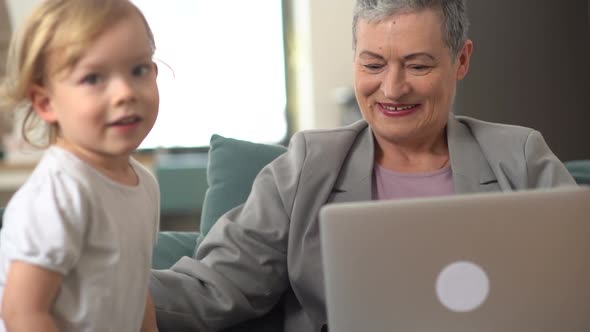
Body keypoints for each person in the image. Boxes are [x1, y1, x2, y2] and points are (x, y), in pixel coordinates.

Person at [150, 0, 576, 331]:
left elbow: (577, 280)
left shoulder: (519, 157)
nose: (392, 88)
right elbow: (213, 288)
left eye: (418, 65)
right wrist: (94, 288)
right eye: (373, 64)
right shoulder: (306, 166)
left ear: (461, 60)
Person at [0, 0, 160, 331]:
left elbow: (134, 286)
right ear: (46, 103)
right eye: (93, 78)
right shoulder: (60, 193)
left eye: (139, 70)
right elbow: (22, 313)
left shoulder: (144, 184)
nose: (124, 93)